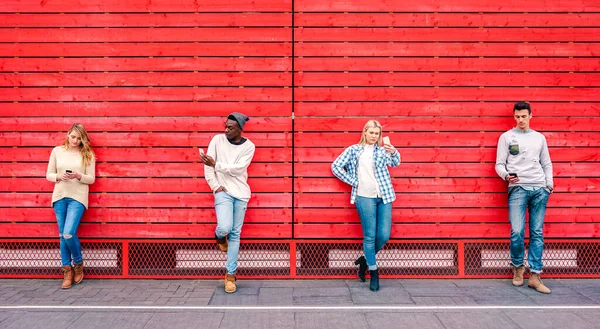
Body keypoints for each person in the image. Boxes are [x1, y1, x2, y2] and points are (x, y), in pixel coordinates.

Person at [331, 120, 400, 291]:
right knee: (369, 236)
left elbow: (395, 163)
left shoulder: (382, 150)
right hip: (364, 197)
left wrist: (394, 152)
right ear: (365, 132)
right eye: (371, 133)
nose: (374, 136)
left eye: (377, 134)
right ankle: (373, 271)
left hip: (384, 196)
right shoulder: (354, 150)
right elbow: (336, 166)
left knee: (383, 235)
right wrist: (354, 182)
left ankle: (363, 260)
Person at [495, 101, 554, 294]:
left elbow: (547, 163)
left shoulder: (539, 138)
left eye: (523, 116)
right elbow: (499, 164)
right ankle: (518, 268)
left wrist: (548, 185)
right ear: (514, 116)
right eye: (517, 116)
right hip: (518, 188)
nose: (520, 120)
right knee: (517, 231)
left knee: (537, 232)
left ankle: (535, 275)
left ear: (530, 116)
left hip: (539, 188)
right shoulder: (506, 137)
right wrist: (506, 175)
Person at [200, 112, 255, 293]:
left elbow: (239, 170)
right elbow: (208, 167)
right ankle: (218, 236)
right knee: (225, 227)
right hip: (222, 191)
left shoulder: (249, 147)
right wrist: (215, 186)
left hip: (240, 193)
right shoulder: (217, 140)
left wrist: (216, 165)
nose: (226, 130)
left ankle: (230, 275)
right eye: (225, 126)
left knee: (235, 235)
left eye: (230, 128)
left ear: (240, 129)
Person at [45, 123, 96, 289]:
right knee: (62, 235)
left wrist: (78, 175)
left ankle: (78, 263)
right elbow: (48, 174)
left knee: (68, 233)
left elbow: (91, 179)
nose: (75, 140)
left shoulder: (87, 154)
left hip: (77, 197)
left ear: (83, 139)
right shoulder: (57, 151)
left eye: (79, 138)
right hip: (59, 196)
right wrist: (58, 177)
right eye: (73, 136)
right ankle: (67, 270)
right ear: (68, 134)